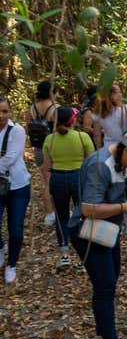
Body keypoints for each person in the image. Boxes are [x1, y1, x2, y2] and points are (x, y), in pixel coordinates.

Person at [68, 130, 127, 339]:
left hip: (109, 231)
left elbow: (120, 195)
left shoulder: (124, 164)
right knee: (105, 285)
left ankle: (102, 330)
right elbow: (88, 208)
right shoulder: (100, 165)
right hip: (88, 232)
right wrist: (126, 206)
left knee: (111, 278)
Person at [42, 106, 95, 268]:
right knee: (84, 212)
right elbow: (91, 162)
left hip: (58, 178)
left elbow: (47, 166)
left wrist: (49, 183)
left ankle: (64, 253)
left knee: (61, 215)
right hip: (78, 177)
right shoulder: (82, 137)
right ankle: (86, 253)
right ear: (72, 121)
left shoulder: (49, 139)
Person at [0, 96, 32, 284]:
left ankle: (12, 264)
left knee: (16, 229)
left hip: (17, 186)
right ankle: (1, 247)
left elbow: (10, 158)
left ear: (10, 112)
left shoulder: (17, 131)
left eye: (5, 111)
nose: (1, 115)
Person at [26, 80, 59, 227]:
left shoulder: (32, 109)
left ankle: (50, 214)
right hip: (54, 148)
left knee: (46, 182)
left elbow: (28, 130)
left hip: (39, 149)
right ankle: (58, 212)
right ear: (52, 93)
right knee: (57, 182)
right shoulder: (56, 108)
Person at [92, 82, 127, 149]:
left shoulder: (99, 112)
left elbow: (96, 134)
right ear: (112, 95)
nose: (121, 94)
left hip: (108, 148)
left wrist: (99, 150)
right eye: (119, 92)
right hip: (124, 148)